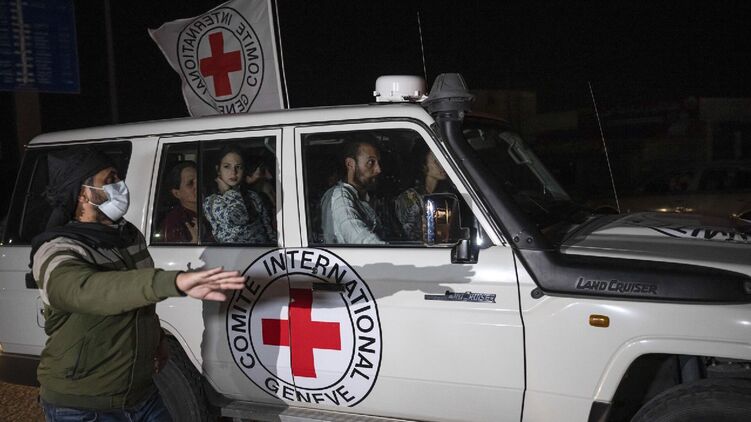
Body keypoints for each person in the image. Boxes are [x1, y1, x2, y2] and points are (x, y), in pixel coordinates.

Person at [30, 146, 246, 421]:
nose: (120, 186)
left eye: (118, 178)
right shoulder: (58, 248)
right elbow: (82, 290)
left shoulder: (128, 235)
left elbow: (138, 301)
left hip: (141, 395)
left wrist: (156, 340)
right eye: (109, 180)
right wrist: (172, 281)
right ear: (83, 193)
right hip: (82, 405)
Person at [203, 146, 276, 244]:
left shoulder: (253, 196)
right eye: (227, 166)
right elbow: (239, 217)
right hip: (234, 252)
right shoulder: (211, 202)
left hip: (263, 252)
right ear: (218, 170)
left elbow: (268, 229)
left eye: (238, 167)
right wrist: (228, 191)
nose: (233, 172)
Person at [320, 140, 386, 244]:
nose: (378, 170)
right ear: (350, 164)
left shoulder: (364, 196)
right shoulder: (341, 196)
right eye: (371, 162)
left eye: (378, 162)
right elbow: (361, 239)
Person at [395, 145, 450, 241]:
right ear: (423, 165)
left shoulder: (446, 194)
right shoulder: (409, 197)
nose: (442, 165)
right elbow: (410, 235)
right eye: (436, 161)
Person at [162, 161, 198, 243]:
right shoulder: (173, 222)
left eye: (199, 180)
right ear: (176, 193)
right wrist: (194, 243)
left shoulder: (214, 207)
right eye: (190, 183)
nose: (198, 186)